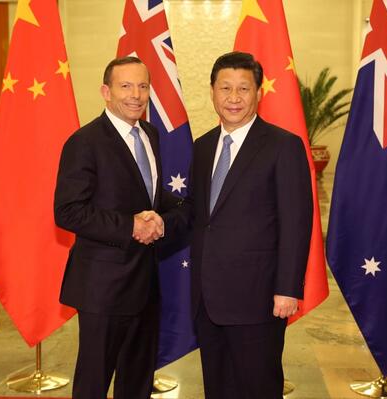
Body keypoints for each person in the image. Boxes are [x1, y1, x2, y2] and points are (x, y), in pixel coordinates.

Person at [54, 56, 183, 399]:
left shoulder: (151, 134)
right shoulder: (84, 142)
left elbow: (150, 197)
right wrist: (129, 226)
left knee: (138, 382)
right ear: (105, 92)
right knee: (94, 383)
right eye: (125, 86)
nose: (136, 95)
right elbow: (68, 212)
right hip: (103, 288)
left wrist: (172, 215)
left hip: (145, 284)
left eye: (143, 86)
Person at [187, 51, 313, 398]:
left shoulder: (283, 146)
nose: (234, 98)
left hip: (258, 298)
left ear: (259, 93)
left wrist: (287, 288)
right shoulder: (202, 147)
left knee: (257, 387)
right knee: (218, 386)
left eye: (244, 89)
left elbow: (296, 221)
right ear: (212, 91)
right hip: (207, 298)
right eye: (225, 88)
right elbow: (198, 216)